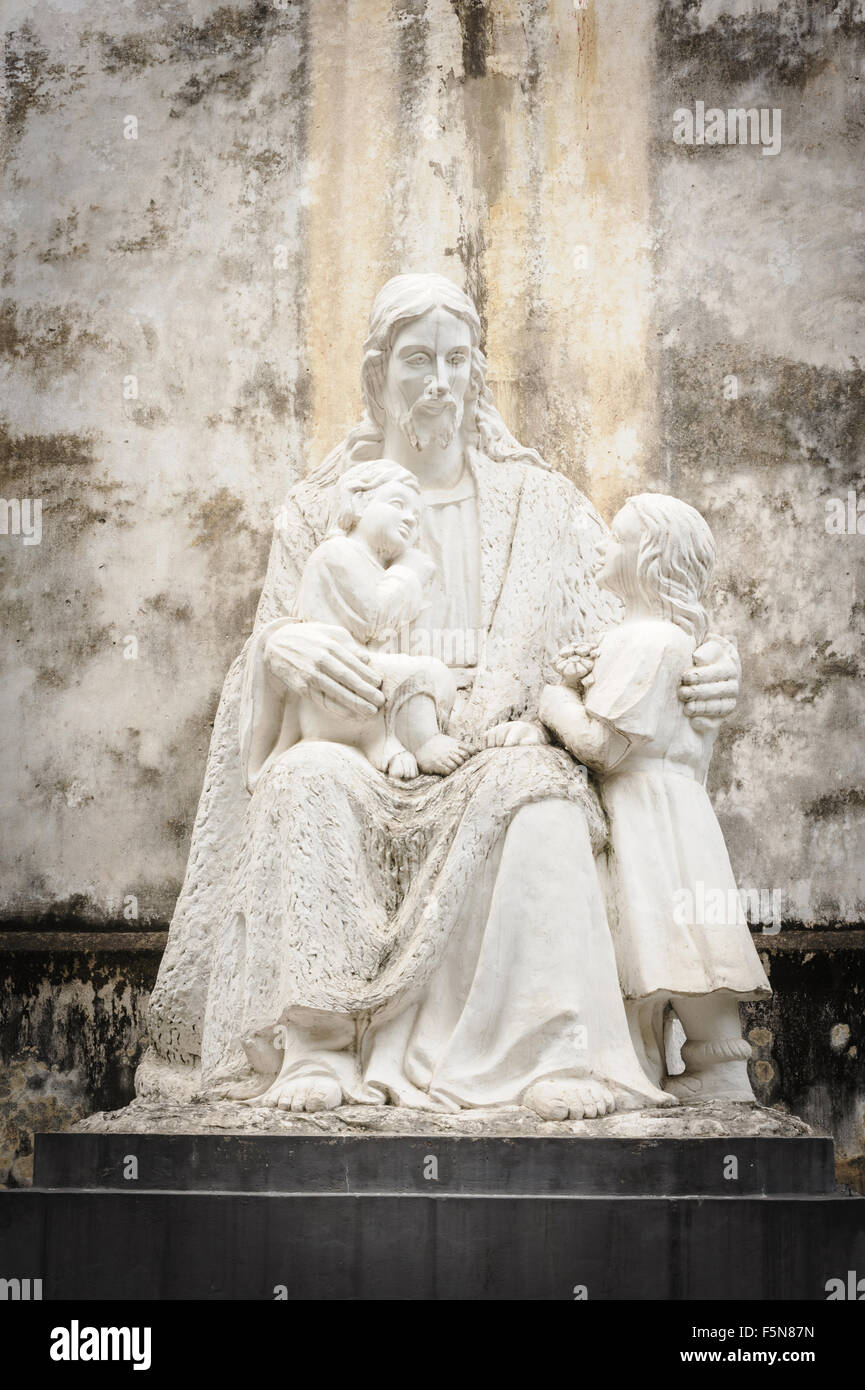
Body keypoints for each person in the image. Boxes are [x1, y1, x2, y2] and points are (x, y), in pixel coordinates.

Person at [141, 274, 742, 1120]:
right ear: (377, 376)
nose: (439, 380)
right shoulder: (318, 513)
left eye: (457, 360)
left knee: (543, 800)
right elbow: (265, 663)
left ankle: (553, 1050)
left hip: (497, 743)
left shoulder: (542, 506)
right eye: (418, 359)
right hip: (358, 742)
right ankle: (315, 1045)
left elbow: (635, 622)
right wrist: (282, 651)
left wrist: (708, 665)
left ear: (477, 375)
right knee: (303, 781)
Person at [540, 494, 770, 1102]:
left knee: (665, 935)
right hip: (682, 808)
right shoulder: (675, 640)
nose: (604, 549)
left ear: (646, 557)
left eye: (617, 539)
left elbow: (602, 745)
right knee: (696, 940)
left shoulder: (647, 641)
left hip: (642, 809)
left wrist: (555, 699)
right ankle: (717, 1067)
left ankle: (705, 1070)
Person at [294, 457, 468, 779]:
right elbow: (374, 617)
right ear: (358, 502)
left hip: (363, 679)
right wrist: (409, 573)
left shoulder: (372, 566)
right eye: (398, 504)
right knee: (421, 671)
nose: (409, 519)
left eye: (415, 517)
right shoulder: (337, 553)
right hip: (337, 688)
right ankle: (420, 742)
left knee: (436, 675)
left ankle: (393, 740)